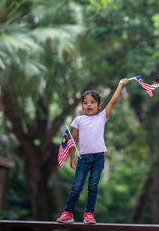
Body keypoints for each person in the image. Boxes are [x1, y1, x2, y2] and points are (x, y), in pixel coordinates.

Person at [57, 78, 129, 224]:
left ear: (99, 105)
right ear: (82, 105)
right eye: (85, 102)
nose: (88, 105)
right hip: (83, 158)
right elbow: (74, 139)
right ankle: (68, 213)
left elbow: (113, 102)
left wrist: (120, 85)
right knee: (76, 186)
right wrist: (72, 157)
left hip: (98, 158)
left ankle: (89, 214)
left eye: (92, 102)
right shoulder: (78, 120)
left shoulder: (102, 117)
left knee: (93, 186)